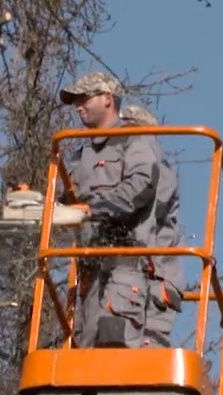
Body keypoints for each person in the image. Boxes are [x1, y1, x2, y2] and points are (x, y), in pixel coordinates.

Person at [59, 72, 160, 348]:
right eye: (75, 100)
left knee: (114, 338)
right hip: (90, 268)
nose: (78, 105)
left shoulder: (134, 139)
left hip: (126, 261)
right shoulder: (80, 156)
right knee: (87, 343)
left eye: (84, 98)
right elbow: (66, 202)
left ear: (107, 99)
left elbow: (142, 183)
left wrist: (98, 209)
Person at [120, 105, 184, 347]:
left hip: (152, 283)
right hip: (149, 282)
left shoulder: (151, 170)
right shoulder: (155, 169)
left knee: (143, 359)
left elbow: (135, 219)